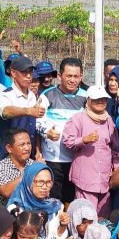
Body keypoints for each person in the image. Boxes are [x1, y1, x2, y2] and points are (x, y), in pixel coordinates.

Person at [63, 85, 119, 216]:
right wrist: (84, 140)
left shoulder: (108, 120)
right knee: (86, 218)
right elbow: (67, 141)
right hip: (86, 179)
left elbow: (114, 147)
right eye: (97, 99)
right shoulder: (78, 118)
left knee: (103, 218)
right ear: (88, 100)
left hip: (104, 179)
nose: (101, 102)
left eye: (103, 99)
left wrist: (116, 167)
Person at [36, 57, 87, 204]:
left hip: (77, 158)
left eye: (76, 76)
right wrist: (47, 132)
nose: (72, 80)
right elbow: (37, 121)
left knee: (72, 201)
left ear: (81, 77)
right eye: (68, 76)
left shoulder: (86, 97)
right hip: (54, 159)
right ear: (59, 76)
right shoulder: (47, 95)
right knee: (53, 200)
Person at [6, 163, 70, 239]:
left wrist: (62, 227)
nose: (45, 187)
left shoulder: (56, 207)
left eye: (48, 182)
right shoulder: (14, 209)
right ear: (28, 181)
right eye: (40, 182)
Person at [0, 57, 44, 164]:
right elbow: (6, 111)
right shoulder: (6, 95)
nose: (29, 76)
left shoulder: (32, 95)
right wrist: (28, 111)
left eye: (30, 72)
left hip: (28, 156)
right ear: (13, 73)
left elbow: (34, 128)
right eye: (24, 73)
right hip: (7, 158)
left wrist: (38, 150)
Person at [0, 128, 35, 204]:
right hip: (6, 214)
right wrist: (31, 171)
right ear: (9, 148)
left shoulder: (34, 164)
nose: (27, 148)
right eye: (22, 144)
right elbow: (7, 192)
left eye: (29, 143)